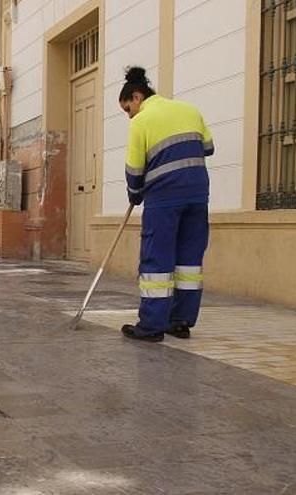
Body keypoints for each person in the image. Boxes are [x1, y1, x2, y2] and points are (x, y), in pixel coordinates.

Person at [118, 67, 213, 343]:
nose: (129, 116)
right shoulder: (190, 110)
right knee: (189, 262)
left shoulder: (141, 121)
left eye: (127, 109)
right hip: (198, 195)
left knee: (156, 263)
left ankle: (151, 326)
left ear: (136, 97)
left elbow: (134, 170)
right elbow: (208, 147)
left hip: (163, 199)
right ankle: (181, 322)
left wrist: (135, 193)